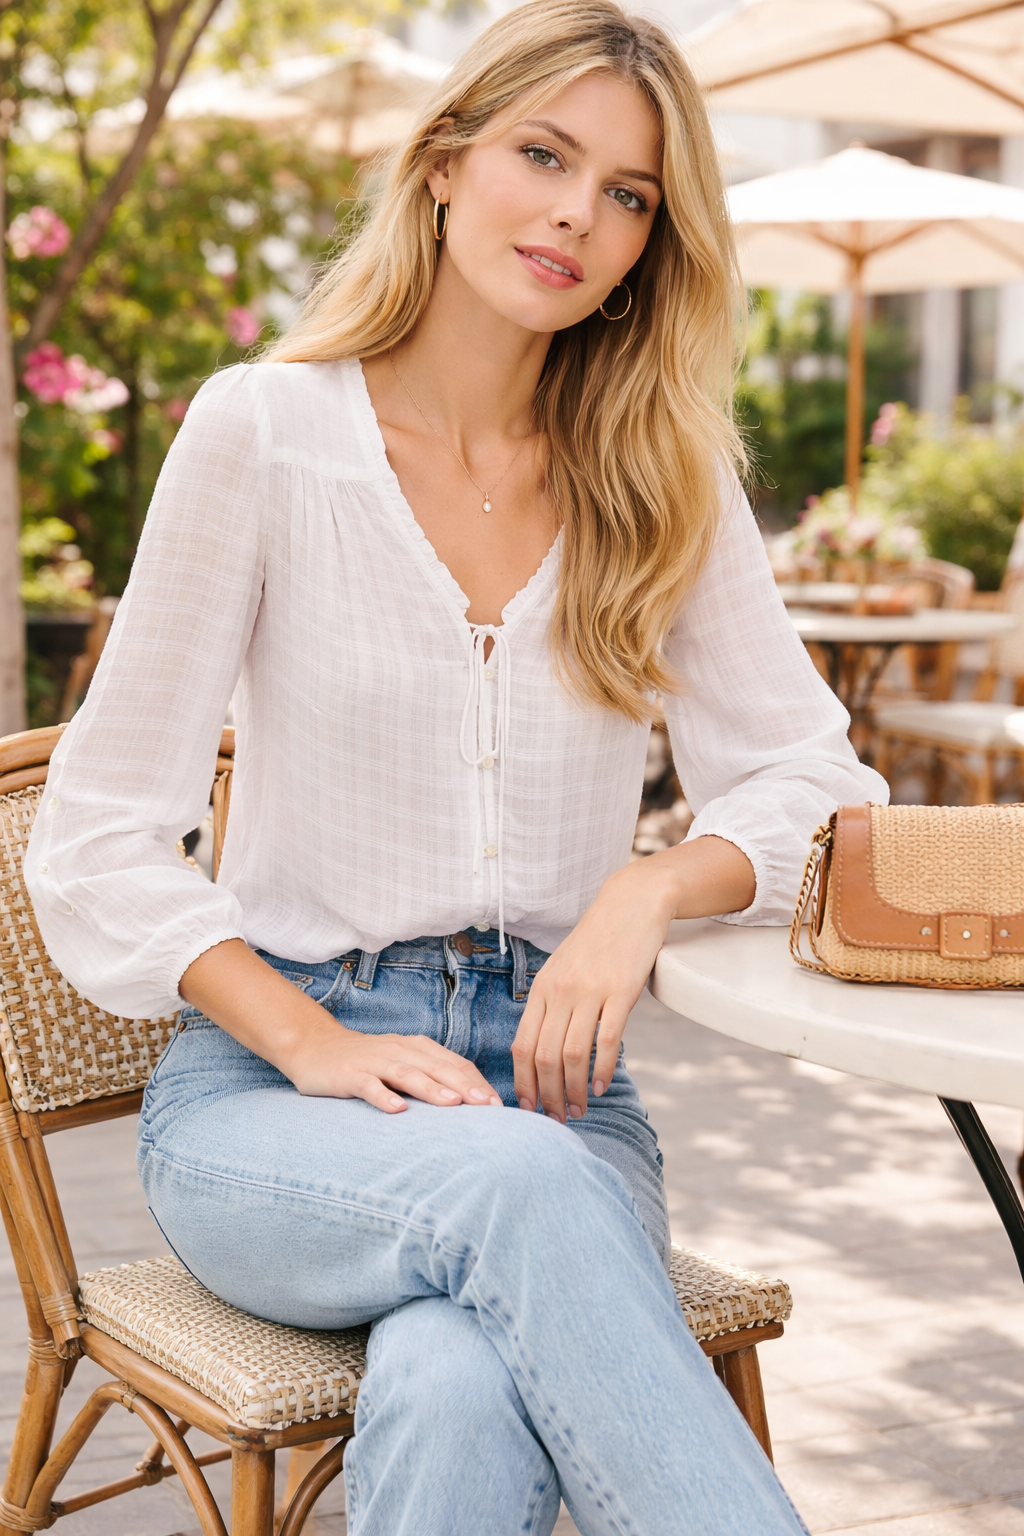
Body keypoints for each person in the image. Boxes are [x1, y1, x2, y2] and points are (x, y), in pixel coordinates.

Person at [27, 3, 885, 1531]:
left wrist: (646, 889)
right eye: (543, 156)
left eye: (629, 195)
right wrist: (306, 1042)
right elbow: (96, 835)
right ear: (441, 165)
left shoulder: (660, 475)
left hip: (562, 1102)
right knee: (517, 1194)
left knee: (459, 1380)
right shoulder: (265, 434)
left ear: (651, 243)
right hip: (272, 1107)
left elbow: (826, 790)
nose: (578, 213)